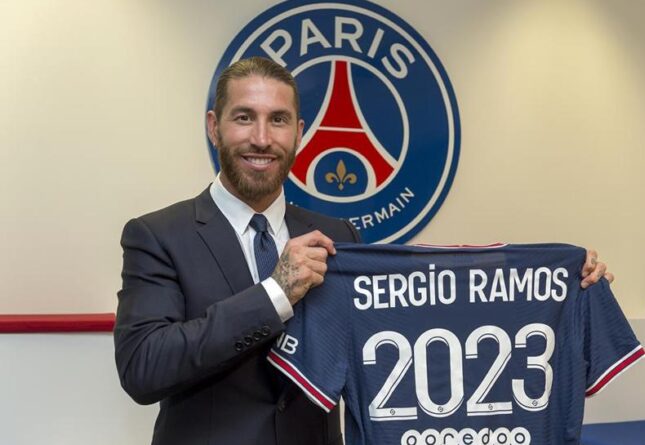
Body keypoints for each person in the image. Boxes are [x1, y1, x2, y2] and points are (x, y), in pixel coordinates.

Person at [114, 57, 611, 445]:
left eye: (278, 120)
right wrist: (274, 293)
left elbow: (422, 320)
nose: (261, 138)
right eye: (244, 118)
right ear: (214, 126)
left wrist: (560, 286)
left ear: (299, 133)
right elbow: (144, 368)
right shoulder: (157, 235)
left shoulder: (338, 236)